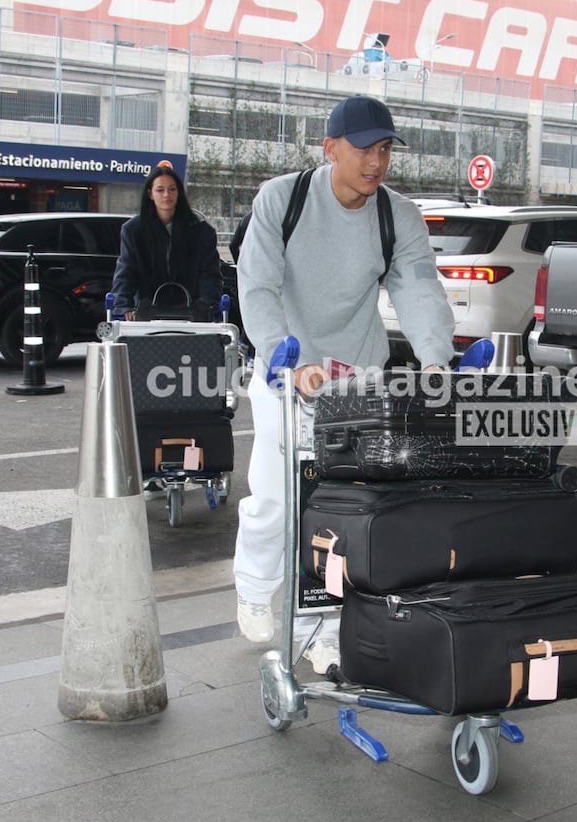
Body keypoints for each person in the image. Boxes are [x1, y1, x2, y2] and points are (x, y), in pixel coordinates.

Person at [234, 95, 455, 674]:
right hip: (287, 366)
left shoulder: (397, 215)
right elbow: (257, 285)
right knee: (278, 496)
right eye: (363, 148)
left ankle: (321, 624)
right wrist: (286, 358)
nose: (375, 161)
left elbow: (418, 287)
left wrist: (436, 362)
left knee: (344, 507)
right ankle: (256, 587)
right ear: (330, 148)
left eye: (384, 148)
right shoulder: (283, 199)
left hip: (358, 378)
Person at [111, 162, 222, 319]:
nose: (166, 195)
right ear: (150, 194)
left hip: (192, 315)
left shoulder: (202, 231)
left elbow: (210, 275)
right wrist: (124, 305)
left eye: (172, 189)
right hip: (147, 313)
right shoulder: (133, 231)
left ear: (179, 193)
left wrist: (207, 305)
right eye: (160, 190)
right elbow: (126, 271)